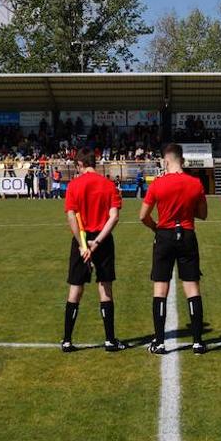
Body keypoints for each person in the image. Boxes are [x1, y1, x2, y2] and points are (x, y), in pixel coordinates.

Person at [139, 143, 208, 356]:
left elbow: (143, 216)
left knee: (160, 289)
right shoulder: (195, 183)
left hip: (165, 235)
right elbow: (203, 214)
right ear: (182, 160)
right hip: (187, 234)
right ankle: (197, 342)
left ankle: (159, 342)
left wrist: (157, 228)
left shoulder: (158, 184)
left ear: (166, 161)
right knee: (192, 288)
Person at [60, 146, 129, 353]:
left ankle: (67, 340)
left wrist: (82, 245)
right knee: (105, 288)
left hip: (81, 240)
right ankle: (109, 340)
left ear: (80, 164)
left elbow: (71, 215)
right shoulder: (108, 185)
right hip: (103, 240)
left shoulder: (74, 185)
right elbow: (114, 216)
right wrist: (97, 242)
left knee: (75, 289)